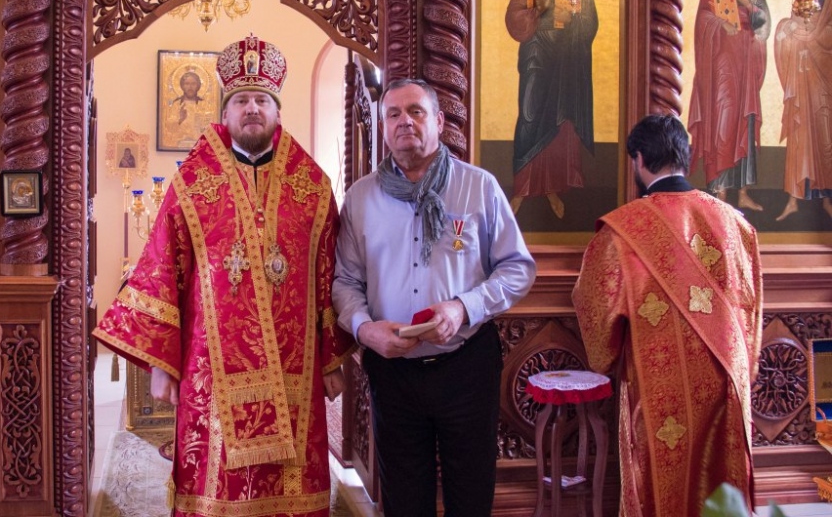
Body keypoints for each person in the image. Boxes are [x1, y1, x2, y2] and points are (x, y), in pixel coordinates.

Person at [94, 35, 356, 517]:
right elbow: (161, 270)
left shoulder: (313, 186)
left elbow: (329, 276)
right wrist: (161, 364)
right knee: (217, 486)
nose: (252, 108)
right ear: (225, 111)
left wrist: (331, 358)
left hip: (295, 367)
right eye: (241, 100)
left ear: (276, 110)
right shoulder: (192, 183)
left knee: (292, 484)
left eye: (261, 100)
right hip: (209, 370)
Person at [332, 79, 536, 516]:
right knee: (404, 499)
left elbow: (518, 268)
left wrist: (463, 307)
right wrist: (365, 330)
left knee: (470, 494)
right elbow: (345, 280)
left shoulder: (479, 187)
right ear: (383, 128)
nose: (405, 121)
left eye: (416, 111)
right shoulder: (361, 198)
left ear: (439, 121)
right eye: (394, 114)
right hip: (393, 372)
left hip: (466, 365)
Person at [572, 114, 762, 516]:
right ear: (685, 158)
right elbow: (751, 307)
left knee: (662, 483)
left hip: (660, 386)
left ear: (639, 159)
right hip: (728, 378)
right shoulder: (737, 224)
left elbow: (596, 309)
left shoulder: (622, 231)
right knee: (721, 482)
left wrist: (606, 355)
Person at [505, 0, 597, 219]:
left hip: (566, 54)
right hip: (536, 50)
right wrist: (537, 9)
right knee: (530, 113)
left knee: (561, 119)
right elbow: (513, 15)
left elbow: (589, 19)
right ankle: (522, 188)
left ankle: (553, 188)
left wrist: (574, 18)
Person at [688, 0, 771, 212]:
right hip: (722, 66)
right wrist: (720, 23)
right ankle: (719, 191)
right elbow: (702, 16)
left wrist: (752, 8)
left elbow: (764, 28)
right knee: (723, 123)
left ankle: (743, 192)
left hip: (746, 65)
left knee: (745, 124)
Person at [774, 0, 832, 222]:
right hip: (804, 74)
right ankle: (795, 200)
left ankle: (827, 199)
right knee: (801, 136)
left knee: (825, 135)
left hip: (825, 76)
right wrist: (786, 30)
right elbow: (797, 24)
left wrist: (816, 37)